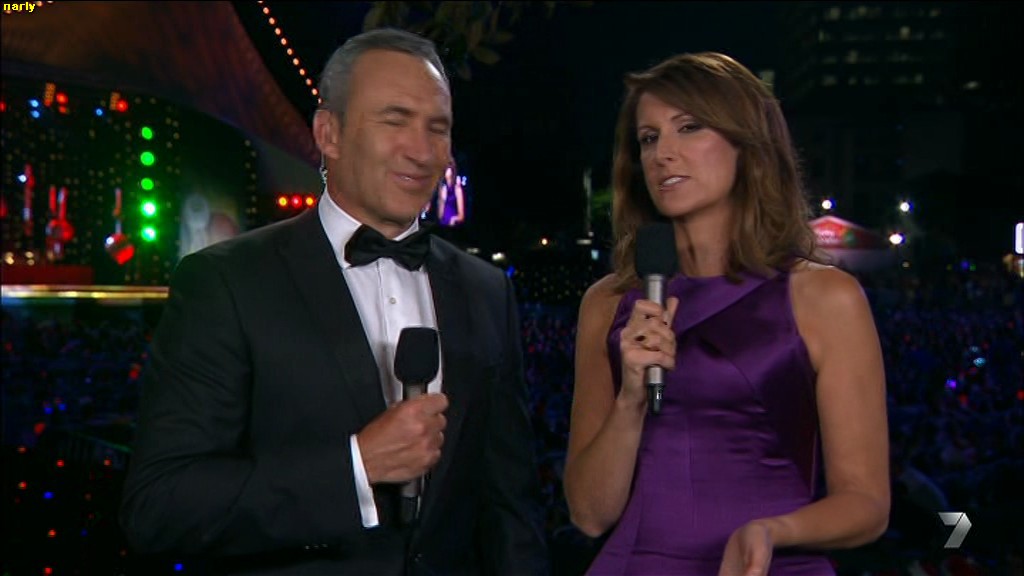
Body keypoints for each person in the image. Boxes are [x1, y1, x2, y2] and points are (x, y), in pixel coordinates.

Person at [120, 28, 548, 575]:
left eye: (437, 128)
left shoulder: (487, 290)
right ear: (329, 133)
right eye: (395, 120)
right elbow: (160, 506)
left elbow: (510, 507)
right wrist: (356, 468)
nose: (422, 151)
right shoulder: (225, 282)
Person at [563, 52, 890, 575]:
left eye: (689, 127)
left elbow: (867, 504)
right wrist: (630, 400)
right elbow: (588, 514)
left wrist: (773, 531)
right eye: (648, 138)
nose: (663, 153)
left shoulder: (826, 297)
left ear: (747, 145)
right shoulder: (608, 304)